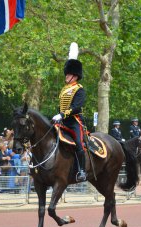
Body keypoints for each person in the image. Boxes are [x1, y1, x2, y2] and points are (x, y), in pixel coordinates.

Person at [51, 42, 87, 182]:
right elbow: (61, 105)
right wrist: (58, 115)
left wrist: (62, 114)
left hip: (74, 121)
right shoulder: (64, 89)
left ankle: (82, 171)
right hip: (62, 120)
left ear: (75, 76)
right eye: (67, 73)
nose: (66, 76)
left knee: (79, 143)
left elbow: (77, 107)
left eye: (69, 74)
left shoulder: (79, 89)